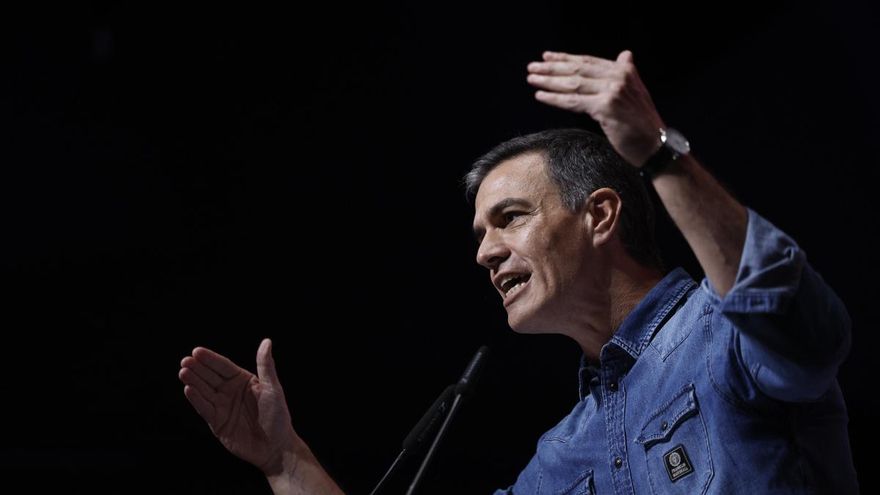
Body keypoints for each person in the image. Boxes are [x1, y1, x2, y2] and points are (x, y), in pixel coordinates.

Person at [178, 49, 858, 494]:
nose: (484, 252)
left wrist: (657, 153)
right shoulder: (561, 453)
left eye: (509, 218)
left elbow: (805, 328)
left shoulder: (720, 330)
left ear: (599, 215)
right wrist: (286, 461)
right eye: (480, 234)